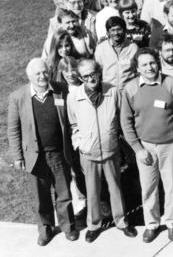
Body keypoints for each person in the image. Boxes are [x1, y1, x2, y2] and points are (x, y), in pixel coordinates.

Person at [8, 58, 79, 246]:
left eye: (45, 72)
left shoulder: (60, 89)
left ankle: (68, 227)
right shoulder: (18, 97)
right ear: (29, 76)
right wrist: (17, 156)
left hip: (59, 153)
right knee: (41, 197)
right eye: (37, 73)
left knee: (64, 194)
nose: (42, 76)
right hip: (35, 156)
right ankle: (46, 229)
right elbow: (13, 129)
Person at [67, 59, 137, 242]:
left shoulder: (112, 91)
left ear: (99, 72)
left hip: (111, 150)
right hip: (88, 153)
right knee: (92, 191)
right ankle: (94, 225)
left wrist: (115, 137)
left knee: (115, 188)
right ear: (80, 78)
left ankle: (122, 222)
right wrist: (80, 144)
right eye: (85, 76)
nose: (90, 78)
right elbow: (73, 125)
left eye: (93, 73)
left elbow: (122, 119)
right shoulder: (73, 97)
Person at [120, 48, 173, 243]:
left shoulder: (172, 84)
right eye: (144, 64)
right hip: (145, 147)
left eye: (152, 63)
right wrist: (138, 149)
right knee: (148, 187)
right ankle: (152, 224)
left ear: (158, 62)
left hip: (170, 144)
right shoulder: (130, 89)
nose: (149, 67)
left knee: (171, 185)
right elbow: (126, 122)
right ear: (137, 68)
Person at [95, 16, 139, 90]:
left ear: (124, 30)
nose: (116, 33)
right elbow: (98, 72)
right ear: (108, 32)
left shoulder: (133, 47)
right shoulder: (101, 49)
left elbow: (137, 71)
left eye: (119, 29)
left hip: (128, 90)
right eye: (113, 30)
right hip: (108, 90)